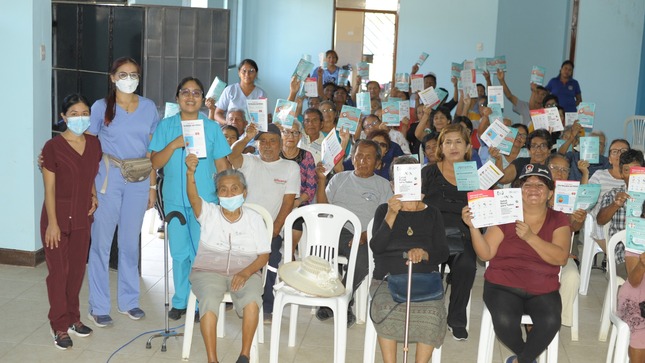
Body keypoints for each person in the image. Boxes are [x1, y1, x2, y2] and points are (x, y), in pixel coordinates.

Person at [462, 163, 571, 363]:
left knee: (551, 321)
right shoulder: (505, 215)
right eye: (527, 185)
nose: (533, 189)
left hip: (543, 287)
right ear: (519, 191)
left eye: (540, 185)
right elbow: (485, 254)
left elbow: (561, 257)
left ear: (549, 194)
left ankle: (521, 360)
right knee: (504, 321)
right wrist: (473, 228)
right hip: (503, 285)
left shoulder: (559, 219)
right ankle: (527, 358)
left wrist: (530, 237)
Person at [149, 77, 231, 320]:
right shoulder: (166, 126)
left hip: (204, 200)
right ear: (177, 98)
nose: (190, 96)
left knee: (201, 252)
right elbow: (155, 163)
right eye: (185, 92)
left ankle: (199, 303)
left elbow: (222, 165)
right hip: (174, 198)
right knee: (179, 252)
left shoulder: (212, 128)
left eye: (196, 92)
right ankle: (180, 300)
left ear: (203, 99)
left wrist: (227, 197)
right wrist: (174, 145)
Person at [87, 57, 159, 327]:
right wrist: (90, 188)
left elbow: (152, 150)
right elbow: (90, 148)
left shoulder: (149, 107)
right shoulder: (101, 107)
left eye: (134, 74)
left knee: (130, 242)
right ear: (112, 77)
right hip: (108, 177)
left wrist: (152, 185)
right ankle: (98, 305)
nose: (129, 79)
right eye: (123, 74)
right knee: (102, 243)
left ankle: (129, 301)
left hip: (139, 178)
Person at [185, 159, 269, 363]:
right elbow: (193, 198)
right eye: (223, 190)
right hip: (208, 270)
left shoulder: (254, 218)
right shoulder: (209, 213)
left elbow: (264, 256)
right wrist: (190, 173)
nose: (229, 194)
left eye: (234, 189)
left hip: (245, 270)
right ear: (217, 194)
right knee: (209, 300)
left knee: (252, 300)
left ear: (244, 192)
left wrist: (245, 273)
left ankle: (245, 355)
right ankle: (212, 360)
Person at [370, 156, 449, 363]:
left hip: (424, 280)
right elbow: (376, 248)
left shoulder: (432, 213)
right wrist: (391, 214)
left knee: (433, 313)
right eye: (399, 179)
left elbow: (443, 253)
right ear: (392, 184)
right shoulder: (383, 211)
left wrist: (424, 254)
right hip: (387, 279)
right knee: (385, 308)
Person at [41, 94, 102, 349]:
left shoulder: (94, 144)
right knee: (59, 274)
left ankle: (74, 319)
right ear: (64, 117)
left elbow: (89, 176)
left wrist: (94, 195)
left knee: (76, 272)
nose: (80, 117)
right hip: (56, 218)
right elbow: (49, 189)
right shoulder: (52, 147)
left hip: (82, 217)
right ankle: (59, 326)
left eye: (85, 112)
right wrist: (53, 223)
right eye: (74, 113)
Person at [315, 139, 393, 326]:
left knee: (365, 258)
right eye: (359, 156)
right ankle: (342, 300)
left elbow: (386, 217)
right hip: (337, 231)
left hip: (366, 235)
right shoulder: (339, 178)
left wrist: (365, 234)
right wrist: (321, 180)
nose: (362, 161)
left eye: (368, 157)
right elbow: (323, 209)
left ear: (378, 163)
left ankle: (341, 298)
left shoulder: (383, 185)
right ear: (352, 157)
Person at [227, 122, 300, 321]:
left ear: (280, 143)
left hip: (270, 229)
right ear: (257, 144)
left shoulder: (290, 167)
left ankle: (268, 302)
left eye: (273, 141)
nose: (268, 145)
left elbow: (288, 201)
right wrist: (245, 137)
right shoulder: (250, 161)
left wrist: (275, 228)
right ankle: (238, 296)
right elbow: (232, 156)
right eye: (263, 141)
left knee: (272, 256)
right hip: (242, 227)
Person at [420, 123, 475, 340]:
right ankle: (425, 316)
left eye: (458, 142)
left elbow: (480, 210)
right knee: (424, 266)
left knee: (467, 266)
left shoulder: (472, 175)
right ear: (441, 147)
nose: (453, 147)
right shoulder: (429, 172)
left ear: (468, 146)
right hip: (431, 233)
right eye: (448, 142)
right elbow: (417, 204)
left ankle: (456, 319)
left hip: (461, 234)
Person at [546, 154, 585, 328]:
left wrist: (578, 218)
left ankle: (558, 321)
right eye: (555, 168)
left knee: (572, 276)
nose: (560, 173)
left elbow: (574, 228)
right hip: (536, 252)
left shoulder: (572, 195)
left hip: (562, 253)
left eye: (564, 170)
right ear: (547, 169)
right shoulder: (535, 190)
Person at [597, 150, 645, 254]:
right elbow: (600, 221)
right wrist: (615, 205)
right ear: (622, 173)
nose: (633, 175)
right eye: (627, 170)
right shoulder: (613, 195)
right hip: (622, 254)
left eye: (636, 170)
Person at [587, 139, 630, 252]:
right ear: (609, 159)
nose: (619, 154)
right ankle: (616, 258)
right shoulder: (599, 175)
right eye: (614, 151)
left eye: (623, 151)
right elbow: (587, 199)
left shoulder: (636, 179)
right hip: (604, 219)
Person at [617, 201, 645, 362]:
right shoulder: (638, 236)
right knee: (641, 327)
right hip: (637, 296)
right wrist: (642, 264)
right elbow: (634, 281)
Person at [213, 59, 266, 125]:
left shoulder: (261, 93)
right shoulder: (230, 90)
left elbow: (263, 117)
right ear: (239, 73)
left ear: (256, 74)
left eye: (251, 71)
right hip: (231, 131)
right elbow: (217, 114)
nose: (247, 74)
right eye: (244, 71)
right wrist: (228, 123)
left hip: (252, 131)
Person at [278, 120, 317, 208]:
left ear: (300, 136)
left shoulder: (307, 156)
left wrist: (297, 202)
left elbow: (311, 188)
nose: (291, 136)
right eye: (286, 132)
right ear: (280, 135)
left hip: (299, 204)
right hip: (276, 202)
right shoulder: (275, 155)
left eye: (295, 132)